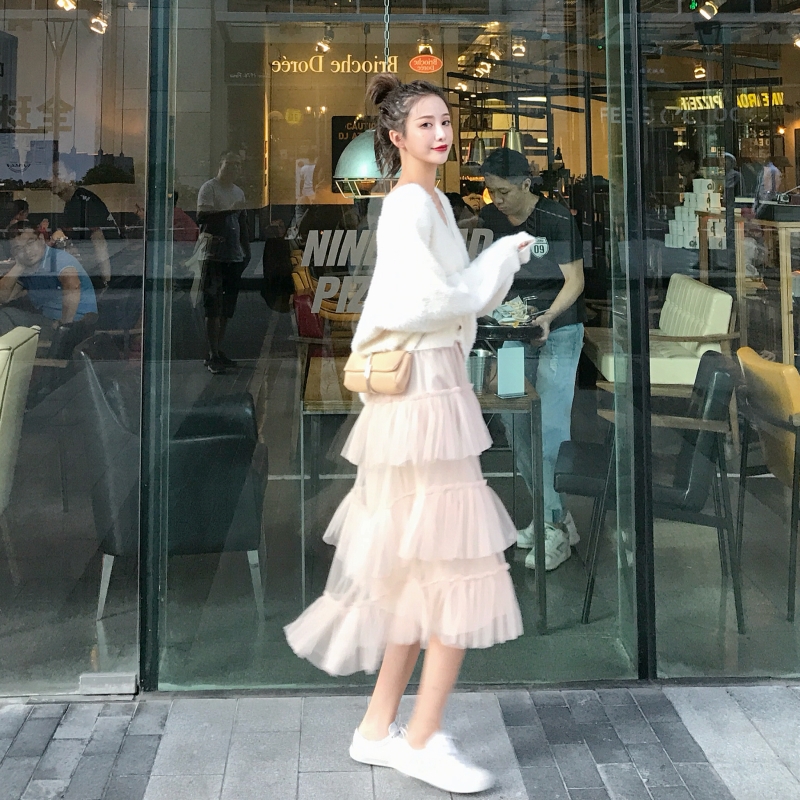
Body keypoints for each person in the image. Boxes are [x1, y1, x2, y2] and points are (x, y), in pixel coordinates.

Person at [285, 73, 533, 794]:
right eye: (425, 124)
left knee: (424, 562)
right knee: (454, 560)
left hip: (431, 387)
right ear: (396, 138)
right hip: (421, 391)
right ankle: (419, 738)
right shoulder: (406, 205)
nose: (441, 133)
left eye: (446, 121)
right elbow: (425, 301)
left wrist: (490, 270)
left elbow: (448, 301)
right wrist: (497, 261)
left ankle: (379, 729)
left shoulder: (432, 202)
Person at [479, 147, 585, 572]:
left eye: (505, 192)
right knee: (516, 424)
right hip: (511, 335)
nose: (498, 200)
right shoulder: (490, 219)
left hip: (559, 331)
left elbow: (575, 281)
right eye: (492, 192)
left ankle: (554, 527)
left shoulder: (556, 219)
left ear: (526, 183)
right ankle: (551, 516)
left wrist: (548, 317)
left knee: (550, 428)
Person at [197, 151, 251, 374]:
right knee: (213, 306)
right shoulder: (209, 188)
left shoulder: (238, 192)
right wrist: (229, 210)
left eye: (237, 165)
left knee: (227, 308)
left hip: (233, 255)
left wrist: (246, 250)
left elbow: (242, 223)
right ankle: (212, 354)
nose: (234, 168)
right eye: (229, 164)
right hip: (214, 255)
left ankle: (217, 350)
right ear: (220, 164)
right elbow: (202, 217)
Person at [0, 221, 97, 338]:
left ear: (41, 239)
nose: (27, 251)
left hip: (76, 324)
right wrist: (19, 266)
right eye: (19, 248)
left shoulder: (57, 258)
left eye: (30, 243)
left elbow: (73, 286)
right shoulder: (28, 267)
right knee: (5, 315)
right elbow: (4, 297)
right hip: (49, 320)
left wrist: (64, 325)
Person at [51, 160, 119, 289]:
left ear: (72, 176)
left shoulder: (85, 202)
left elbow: (99, 241)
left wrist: (106, 282)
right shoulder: (71, 203)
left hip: (106, 268)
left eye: (57, 174)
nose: (51, 179)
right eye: (50, 175)